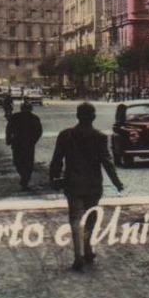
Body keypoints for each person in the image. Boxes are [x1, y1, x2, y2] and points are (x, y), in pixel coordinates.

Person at [49, 102, 124, 272]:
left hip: (72, 183)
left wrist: (53, 178)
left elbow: (56, 159)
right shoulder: (100, 137)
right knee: (91, 217)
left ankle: (77, 256)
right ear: (93, 117)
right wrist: (116, 182)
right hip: (93, 184)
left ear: (77, 116)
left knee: (75, 218)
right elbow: (107, 162)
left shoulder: (65, 135)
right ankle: (88, 249)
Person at [6, 100, 45, 191]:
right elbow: (39, 131)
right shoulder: (17, 117)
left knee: (23, 162)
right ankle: (24, 178)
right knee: (23, 162)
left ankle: (24, 180)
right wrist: (34, 140)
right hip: (24, 144)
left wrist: (9, 139)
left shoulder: (31, 118)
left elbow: (8, 129)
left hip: (22, 143)